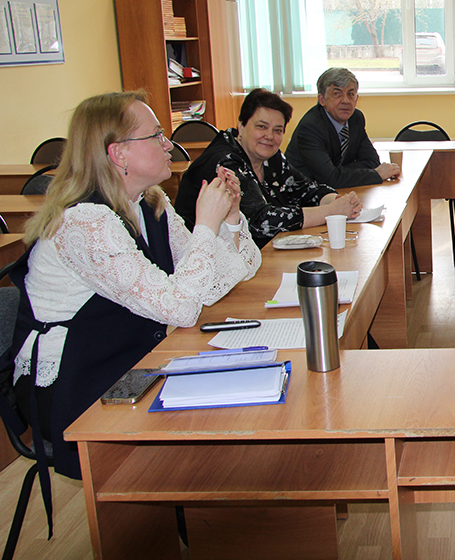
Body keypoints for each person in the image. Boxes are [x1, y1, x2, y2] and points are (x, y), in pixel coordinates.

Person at [2, 92, 261, 480]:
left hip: (129, 356)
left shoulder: (149, 201)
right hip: (75, 380)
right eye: (156, 135)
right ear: (118, 153)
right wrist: (206, 225)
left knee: (239, 395)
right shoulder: (85, 222)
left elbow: (224, 276)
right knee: (219, 416)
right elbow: (182, 307)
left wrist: (231, 218)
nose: (168, 145)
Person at [175, 89, 363, 248]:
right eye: (261, 127)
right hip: (208, 261)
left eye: (277, 130)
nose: (270, 136)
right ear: (241, 126)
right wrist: (331, 211)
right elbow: (261, 222)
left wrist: (337, 201)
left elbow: (305, 190)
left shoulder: (270, 156)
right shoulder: (225, 161)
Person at [285, 68, 401, 188]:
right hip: (300, 193)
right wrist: (376, 174)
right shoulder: (311, 127)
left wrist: (338, 173)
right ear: (322, 100)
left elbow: (372, 162)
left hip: (335, 190)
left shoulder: (356, 118)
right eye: (337, 94)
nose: (345, 101)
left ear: (356, 99)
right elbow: (330, 179)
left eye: (350, 94)